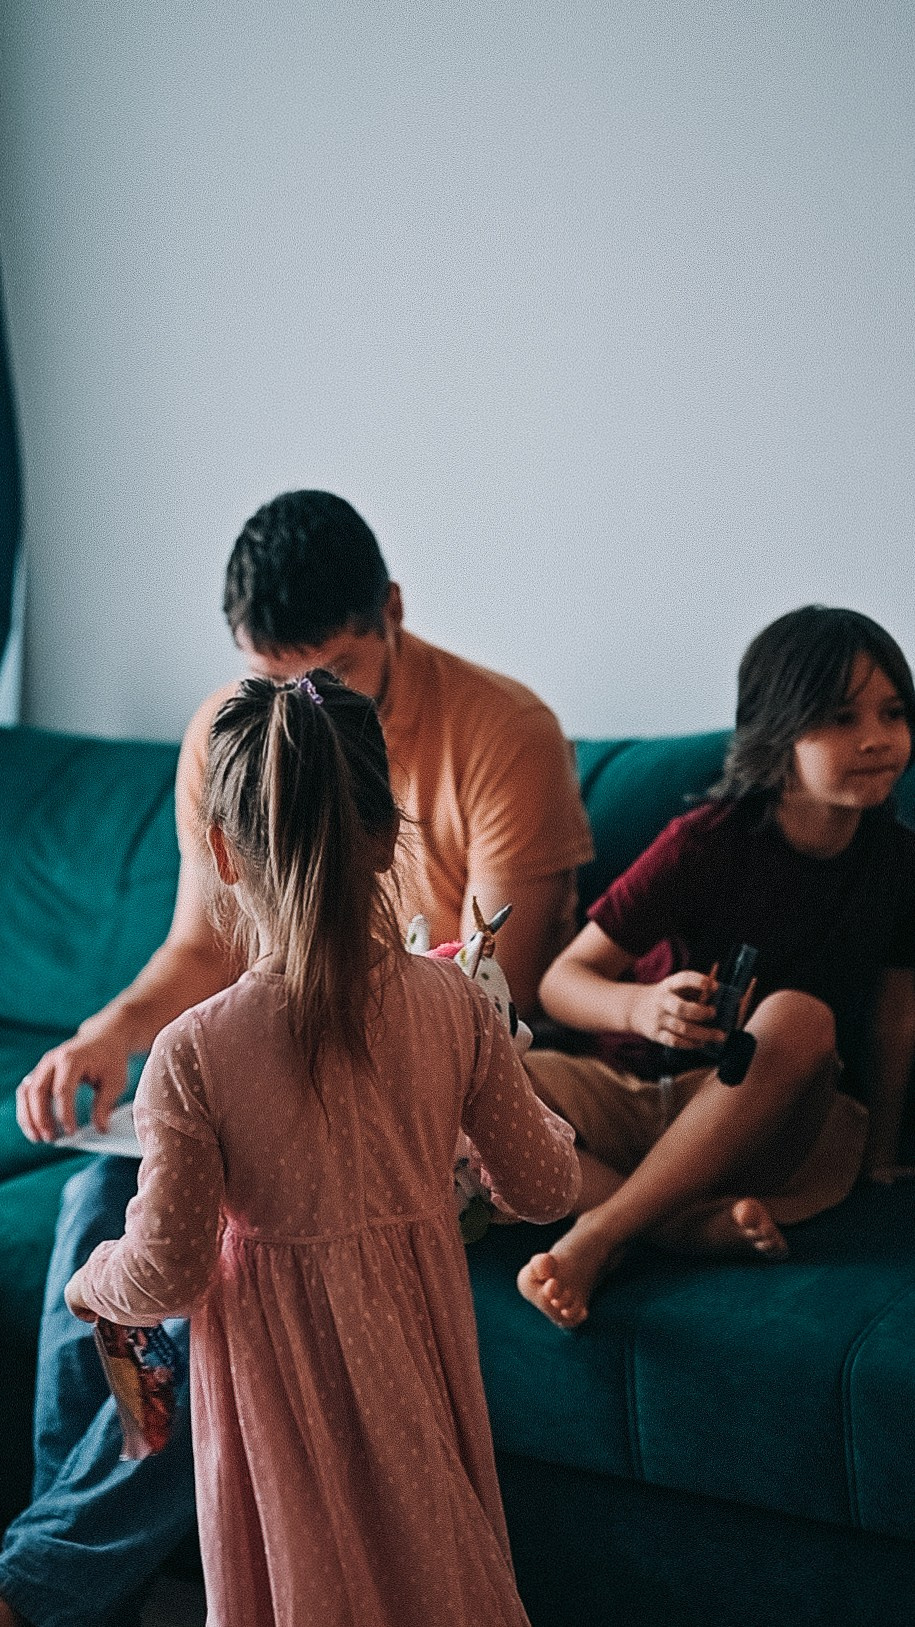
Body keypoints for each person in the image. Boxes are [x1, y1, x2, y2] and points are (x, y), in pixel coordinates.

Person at [2, 491, 592, 1627]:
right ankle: (60, 1572)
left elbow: (515, 985)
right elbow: (194, 950)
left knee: (180, 1283)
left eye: (323, 669)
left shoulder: (499, 730)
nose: (290, 704)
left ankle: (37, 1589)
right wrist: (106, 1033)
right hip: (337, 1110)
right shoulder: (231, 730)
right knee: (90, 1193)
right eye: (265, 674)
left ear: (395, 617)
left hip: (414, 1130)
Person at [517, 605, 915, 1329]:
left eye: (892, 713)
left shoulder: (896, 862)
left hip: (761, 1121)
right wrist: (638, 1008)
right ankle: (671, 1224)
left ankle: (600, 1235)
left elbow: (894, 1015)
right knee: (471, 1065)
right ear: (776, 732)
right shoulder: (706, 842)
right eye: (839, 716)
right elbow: (560, 982)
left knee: (799, 1017)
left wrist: (882, 1156)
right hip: (632, 1091)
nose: (875, 739)